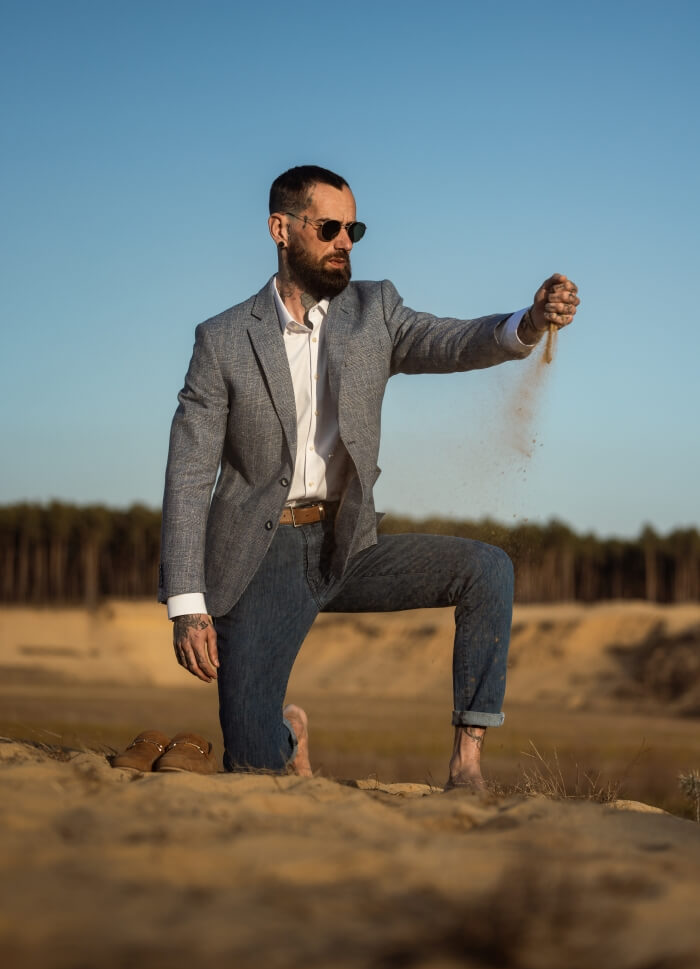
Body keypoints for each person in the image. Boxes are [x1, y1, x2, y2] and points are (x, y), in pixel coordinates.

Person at [159, 164, 579, 788]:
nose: (344, 242)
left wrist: (530, 321)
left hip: (349, 544)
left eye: (352, 228)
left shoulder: (374, 310)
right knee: (250, 762)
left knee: (487, 569)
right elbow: (190, 475)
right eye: (329, 227)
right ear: (281, 228)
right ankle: (289, 734)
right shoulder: (223, 340)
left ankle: (466, 763)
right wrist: (187, 606)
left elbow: (453, 342)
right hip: (262, 554)